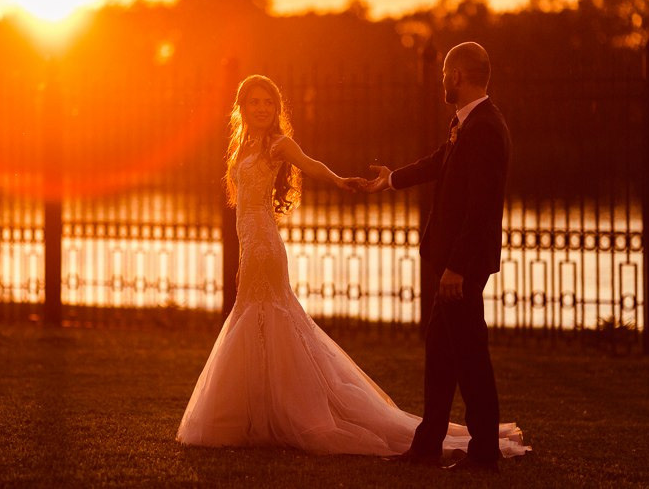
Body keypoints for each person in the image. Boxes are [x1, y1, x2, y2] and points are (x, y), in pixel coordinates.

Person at [175, 73, 530, 467]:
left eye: (268, 103)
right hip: (250, 246)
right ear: (241, 107)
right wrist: (243, 259)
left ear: (277, 110)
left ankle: (291, 412)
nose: (262, 109)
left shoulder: (279, 144)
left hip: (266, 247)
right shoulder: (242, 146)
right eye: (255, 102)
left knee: (271, 320)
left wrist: (340, 179)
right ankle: (258, 413)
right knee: (254, 321)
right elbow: (243, 207)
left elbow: (311, 164)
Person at [363, 41, 522, 471]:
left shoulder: (485, 127)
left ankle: (483, 452)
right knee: (441, 350)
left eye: (445, 74)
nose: (441, 81)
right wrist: (391, 180)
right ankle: (426, 445)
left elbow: (480, 207)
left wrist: (456, 266)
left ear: (457, 75)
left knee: (470, 357)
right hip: (454, 262)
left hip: (461, 266)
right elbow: (439, 162)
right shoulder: (467, 123)